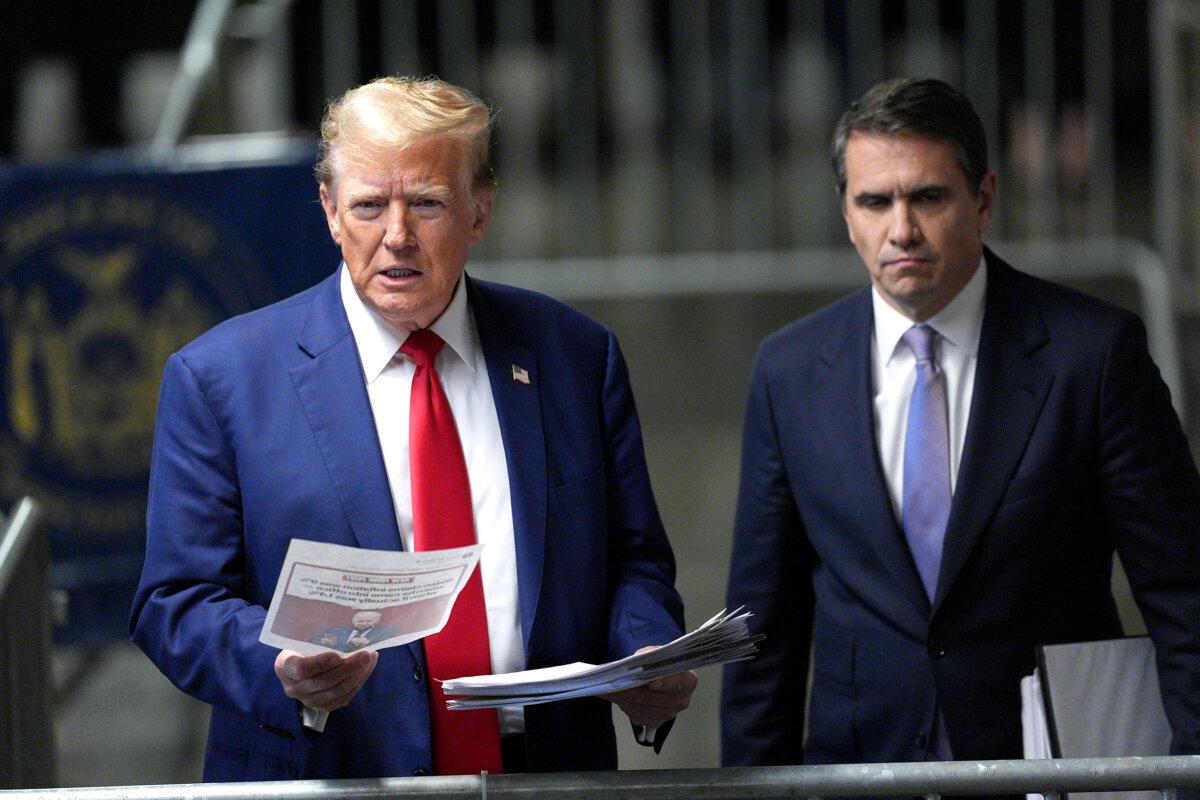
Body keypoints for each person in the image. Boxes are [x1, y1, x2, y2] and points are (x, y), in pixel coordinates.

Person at [131, 77, 696, 781]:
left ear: (480, 210)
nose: (395, 235)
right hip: (329, 771)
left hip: (545, 774)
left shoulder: (574, 356)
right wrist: (278, 663)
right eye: (368, 206)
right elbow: (174, 603)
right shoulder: (222, 380)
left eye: (426, 203)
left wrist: (646, 654)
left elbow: (632, 560)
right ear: (331, 211)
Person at [721, 77, 1200, 768]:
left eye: (928, 197)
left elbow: (1182, 593)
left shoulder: (1091, 358)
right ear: (846, 213)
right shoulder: (789, 373)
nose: (901, 230)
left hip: (1048, 769)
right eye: (875, 201)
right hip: (863, 771)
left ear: (984, 200)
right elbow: (763, 630)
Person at [312, 610, 397, 652]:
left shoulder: (383, 632)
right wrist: (325, 642)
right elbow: (313, 641)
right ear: (353, 621)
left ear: (376, 621)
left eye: (368, 621)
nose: (364, 624)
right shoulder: (337, 631)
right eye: (360, 621)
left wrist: (368, 643)